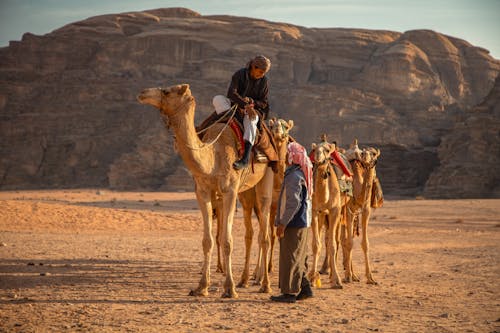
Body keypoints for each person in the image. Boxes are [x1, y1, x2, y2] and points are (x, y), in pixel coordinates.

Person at [270, 142, 314, 303]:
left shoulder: (293, 177)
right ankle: (305, 288)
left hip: (294, 224)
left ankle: (288, 293)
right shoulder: (300, 174)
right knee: (299, 257)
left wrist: (282, 223)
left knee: (290, 257)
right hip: (302, 222)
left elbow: (293, 203)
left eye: (287, 154)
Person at [227, 55, 273, 170]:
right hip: (237, 106)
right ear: (253, 66)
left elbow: (264, 103)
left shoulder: (264, 81)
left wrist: (252, 102)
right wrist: (245, 105)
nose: (262, 74)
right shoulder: (239, 75)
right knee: (217, 99)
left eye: (264, 72)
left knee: (251, 121)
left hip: (254, 110)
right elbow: (231, 93)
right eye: (260, 71)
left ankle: (245, 158)